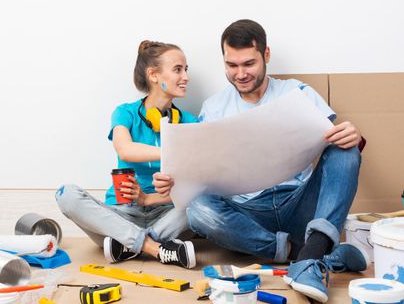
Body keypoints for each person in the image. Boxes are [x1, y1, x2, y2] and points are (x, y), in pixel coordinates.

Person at [153, 20, 367, 302]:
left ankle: (311, 252)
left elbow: (339, 152)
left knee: (346, 151)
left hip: (299, 203)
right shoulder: (214, 108)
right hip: (249, 213)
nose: (240, 74)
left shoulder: (297, 93)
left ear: (266, 55)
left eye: (248, 64)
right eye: (232, 65)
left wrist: (354, 136)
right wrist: (173, 181)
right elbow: (199, 175)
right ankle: (305, 254)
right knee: (197, 208)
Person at [56, 40, 197, 269]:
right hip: (121, 213)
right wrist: (173, 152)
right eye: (177, 69)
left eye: (186, 69)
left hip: (166, 213)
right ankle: (155, 248)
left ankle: (126, 245)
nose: (186, 77)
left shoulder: (190, 122)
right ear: (153, 75)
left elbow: (197, 181)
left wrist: (149, 198)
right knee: (66, 195)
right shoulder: (125, 112)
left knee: (209, 199)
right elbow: (125, 149)